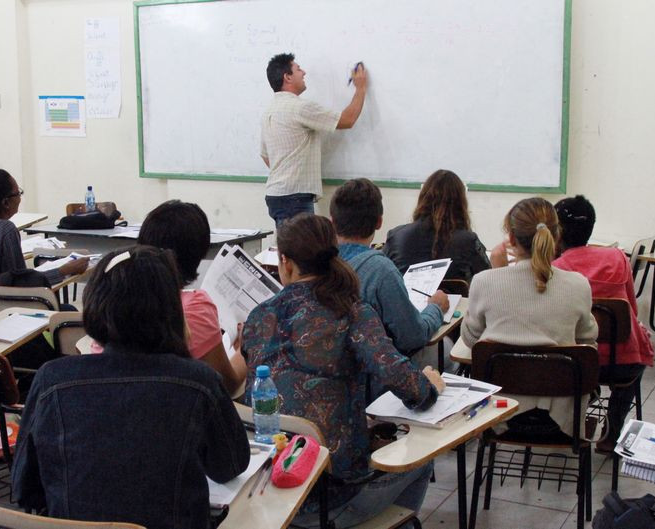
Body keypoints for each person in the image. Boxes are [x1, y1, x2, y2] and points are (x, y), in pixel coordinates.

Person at [12, 246, 250, 529]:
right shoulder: (198, 383)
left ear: (95, 304)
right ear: (171, 311)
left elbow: (24, 487)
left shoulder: (51, 380)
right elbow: (231, 466)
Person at [243, 213, 445, 528]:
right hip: (334, 496)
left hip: (270, 492)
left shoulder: (258, 316)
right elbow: (402, 380)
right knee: (422, 456)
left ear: (285, 262)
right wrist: (430, 386)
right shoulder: (350, 311)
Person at [461, 197, 598, 436]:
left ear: (511, 239)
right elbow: (587, 342)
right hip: (563, 411)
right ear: (556, 236)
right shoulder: (578, 284)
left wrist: (497, 272)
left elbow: (472, 340)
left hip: (499, 410)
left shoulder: (485, 281)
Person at [553, 195, 654, 452]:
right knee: (634, 364)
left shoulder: (554, 269)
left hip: (574, 364)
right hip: (622, 364)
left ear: (556, 232)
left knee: (572, 362)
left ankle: (575, 418)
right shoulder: (617, 257)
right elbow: (629, 306)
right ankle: (612, 432)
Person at [134, 199, 247, 394]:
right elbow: (225, 385)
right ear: (200, 253)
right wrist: (244, 351)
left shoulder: (118, 300)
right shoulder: (194, 308)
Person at [331, 178, 449, 360]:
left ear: (332, 222)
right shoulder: (381, 271)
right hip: (374, 373)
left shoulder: (317, 261)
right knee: (447, 349)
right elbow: (412, 337)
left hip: (329, 369)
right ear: (379, 222)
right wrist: (435, 308)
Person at [261, 53, 368, 226]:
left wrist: (287, 171)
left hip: (276, 194)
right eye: (298, 69)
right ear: (287, 77)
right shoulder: (299, 107)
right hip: (295, 197)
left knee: (290, 249)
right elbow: (347, 120)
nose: (303, 73)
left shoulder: (269, 111)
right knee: (301, 250)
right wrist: (361, 88)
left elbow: (265, 156)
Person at [0, 169, 88, 283]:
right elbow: (21, 283)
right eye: (18, 193)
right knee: (68, 309)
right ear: (6, 202)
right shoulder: (5, 229)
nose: (19, 197)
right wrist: (64, 270)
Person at [383, 169, 490, 283]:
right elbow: (487, 279)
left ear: (423, 198)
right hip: (456, 300)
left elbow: (383, 275)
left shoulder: (396, 236)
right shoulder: (468, 240)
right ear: (461, 204)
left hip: (406, 300)